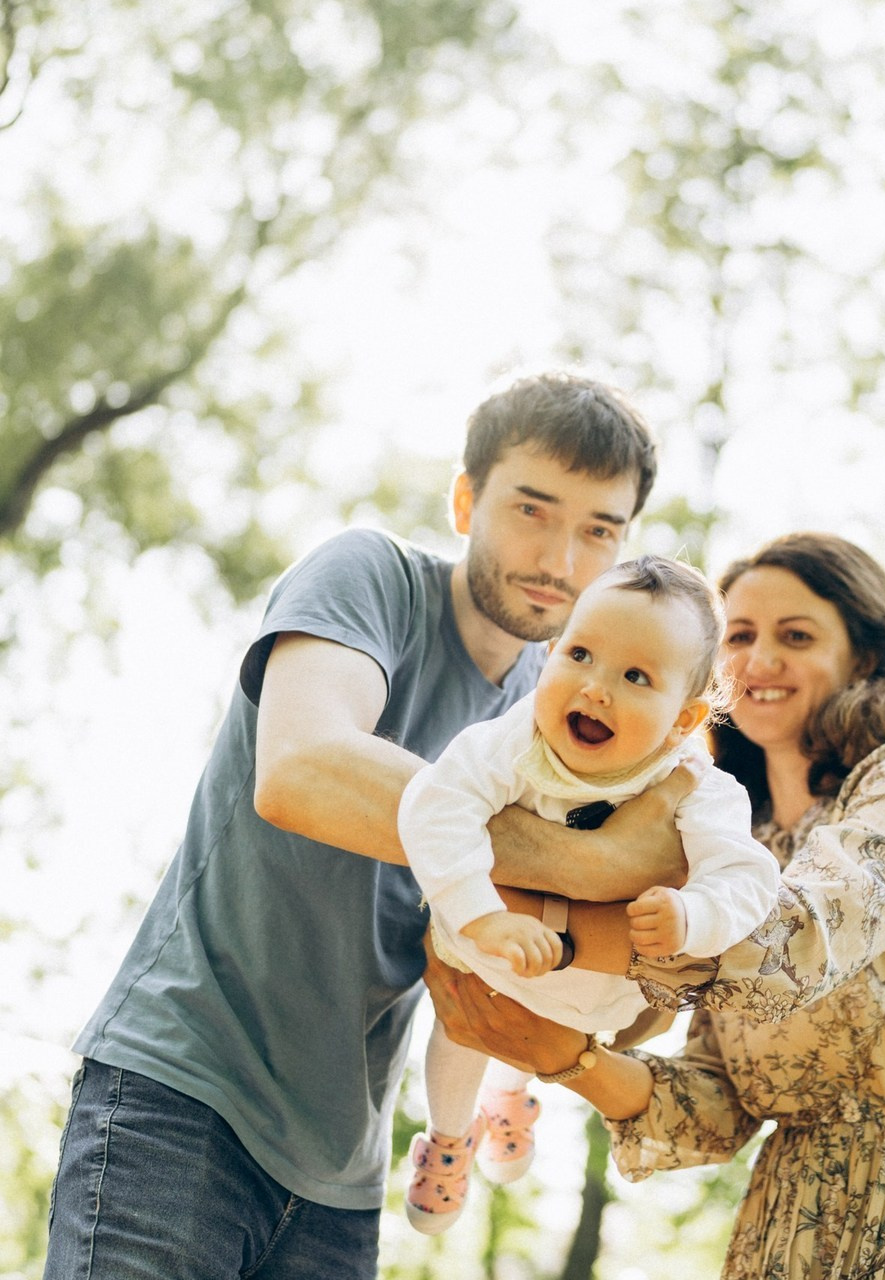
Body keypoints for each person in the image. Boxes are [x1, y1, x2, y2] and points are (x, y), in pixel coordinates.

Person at [42, 371, 672, 1280]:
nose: (561, 560)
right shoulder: (371, 578)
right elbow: (301, 769)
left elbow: (617, 943)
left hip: (342, 1177)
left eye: (598, 530)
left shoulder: (565, 709)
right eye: (532, 510)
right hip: (180, 1098)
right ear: (466, 500)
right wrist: (582, 859)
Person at [424, 531, 885, 1279]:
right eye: (738, 637)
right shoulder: (733, 845)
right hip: (793, 1224)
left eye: (795, 636)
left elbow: (796, 942)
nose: (759, 661)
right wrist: (567, 1058)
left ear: (863, 658)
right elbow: (715, 1103)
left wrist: (547, 925)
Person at [397, 555, 780, 1234]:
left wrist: (694, 914)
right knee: (463, 1026)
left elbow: (749, 878)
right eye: (579, 654)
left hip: (589, 987)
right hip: (485, 947)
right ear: (548, 656)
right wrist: (480, 915)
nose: (596, 687)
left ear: (684, 718)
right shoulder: (515, 741)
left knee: (530, 1039)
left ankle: (510, 1096)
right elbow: (436, 804)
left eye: (636, 676)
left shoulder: (698, 784)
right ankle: (449, 1140)